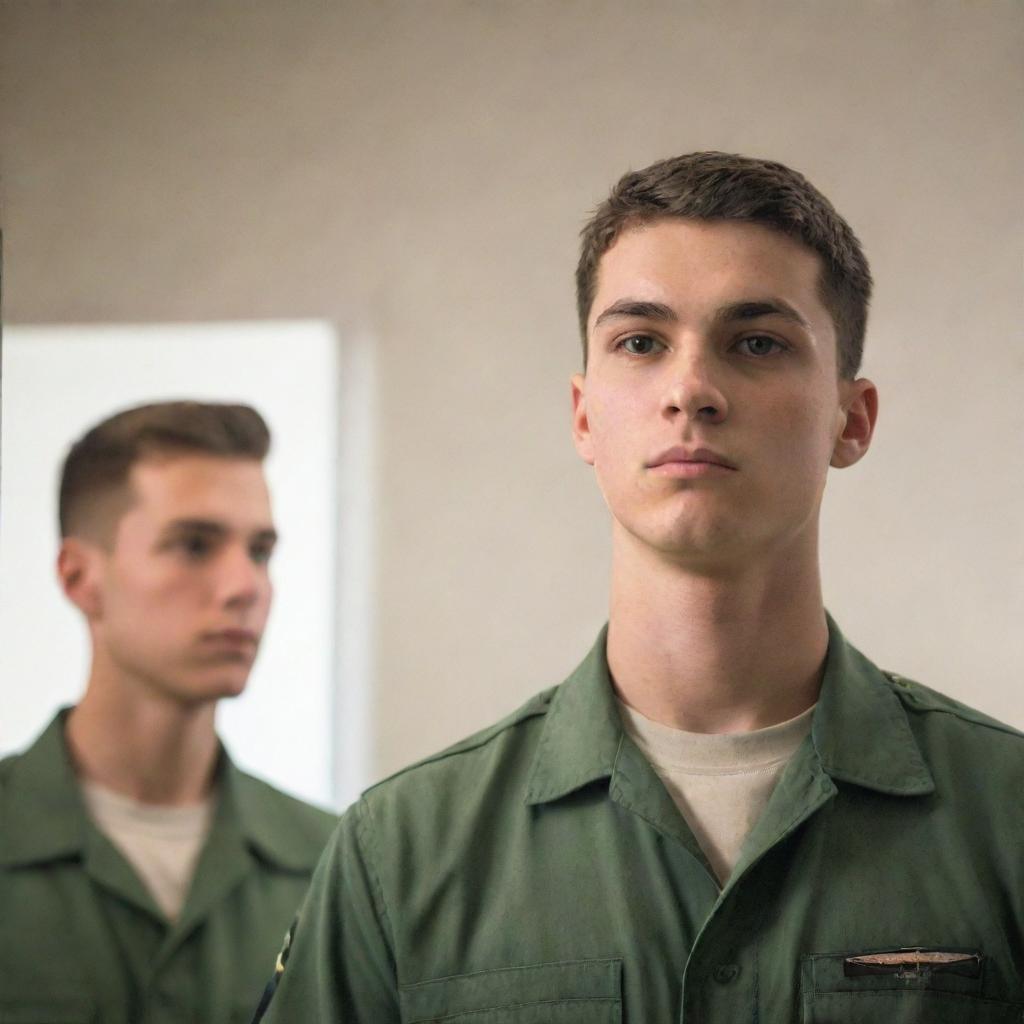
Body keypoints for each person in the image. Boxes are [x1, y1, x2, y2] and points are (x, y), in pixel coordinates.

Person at [257, 153, 1024, 1021]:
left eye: (757, 342)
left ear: (853, 419)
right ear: (584, 415)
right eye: (641, 342)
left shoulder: (1008, 822)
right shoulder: (399, 854)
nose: (691, 388)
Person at [0, 400, 336, 1022]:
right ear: (79, 577)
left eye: (260, 551)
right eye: (194, 545)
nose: (245, 586)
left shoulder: (335, 867)